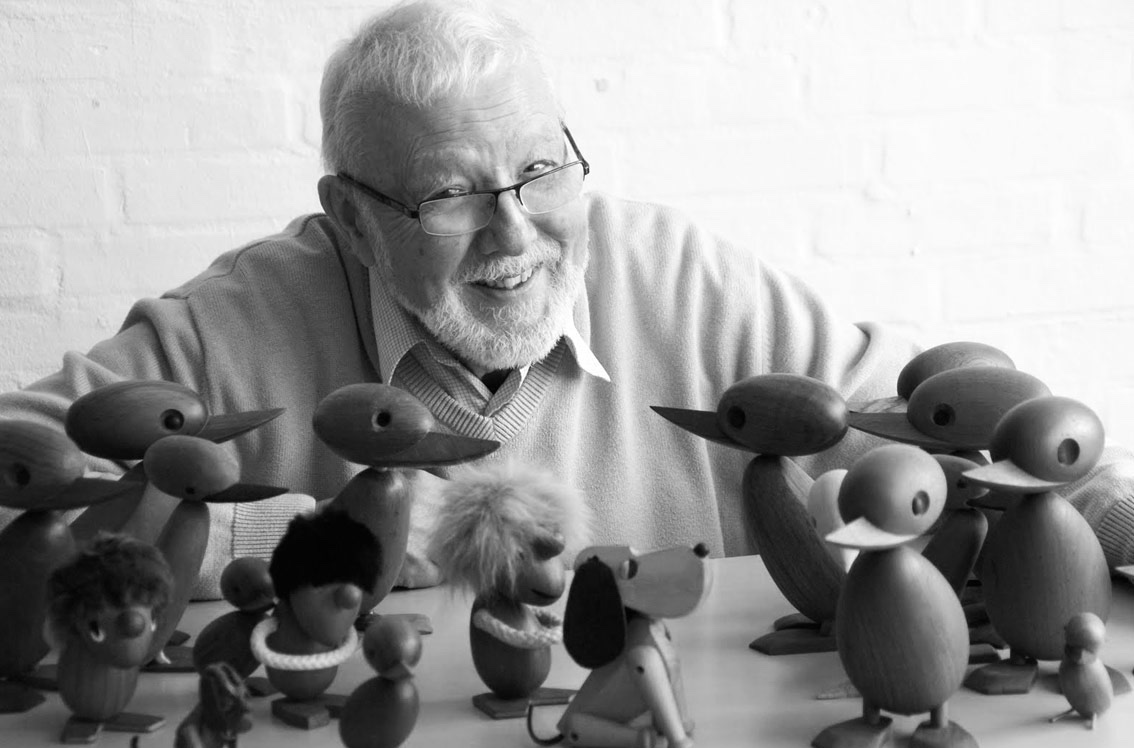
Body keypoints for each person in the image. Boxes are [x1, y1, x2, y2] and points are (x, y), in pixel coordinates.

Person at [2, 0, 1132, 600]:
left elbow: (949, 428)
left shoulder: (685, 279)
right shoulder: (230, 324)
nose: (515, 233)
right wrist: (267, 531)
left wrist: (1111, 515)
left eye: (542, 170)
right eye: (447, 194)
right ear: (350, 216)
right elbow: (22, 487)